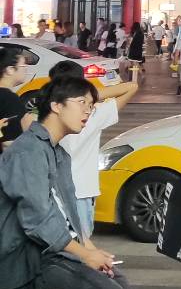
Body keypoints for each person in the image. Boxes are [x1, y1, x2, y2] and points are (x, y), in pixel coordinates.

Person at [0, 76, 151, 289]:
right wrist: (83, 255)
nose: (88, 111)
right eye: (82, 103)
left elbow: (66, 213)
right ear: (56, 105)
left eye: (91, 105)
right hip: (26, 259)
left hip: (48, 250)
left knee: (117, 284)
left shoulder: (57, 151)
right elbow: (37, 220)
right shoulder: (28, 151)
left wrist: (92, 251)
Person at [50, 62, 139, 239]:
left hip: (52, 193)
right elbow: (132, 87)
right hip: (82, 192)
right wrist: (86, 97)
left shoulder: (48, 113)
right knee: (82, 246)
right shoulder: (94, 113)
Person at [0, 45, 35, 148]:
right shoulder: (10, 100)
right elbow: (10, 143)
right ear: (10, 69)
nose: (26, 70)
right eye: (23, 66)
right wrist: (28, 130)